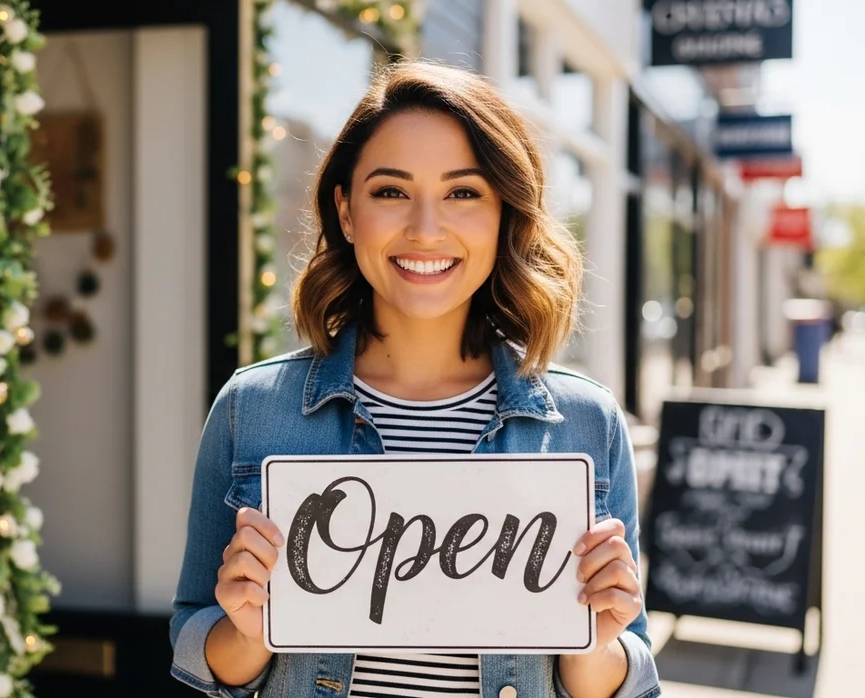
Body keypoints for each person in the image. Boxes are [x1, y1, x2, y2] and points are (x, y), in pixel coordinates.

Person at [169, 61, 659, 698]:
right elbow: (197, 642)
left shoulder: (587, 421)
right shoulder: (252, 408)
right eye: (390, 192)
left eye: (463, 193)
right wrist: (247, 633)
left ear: (504, 214)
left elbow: (620, 670)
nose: (426, 229)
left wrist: (593, 645)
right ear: (347, 212)